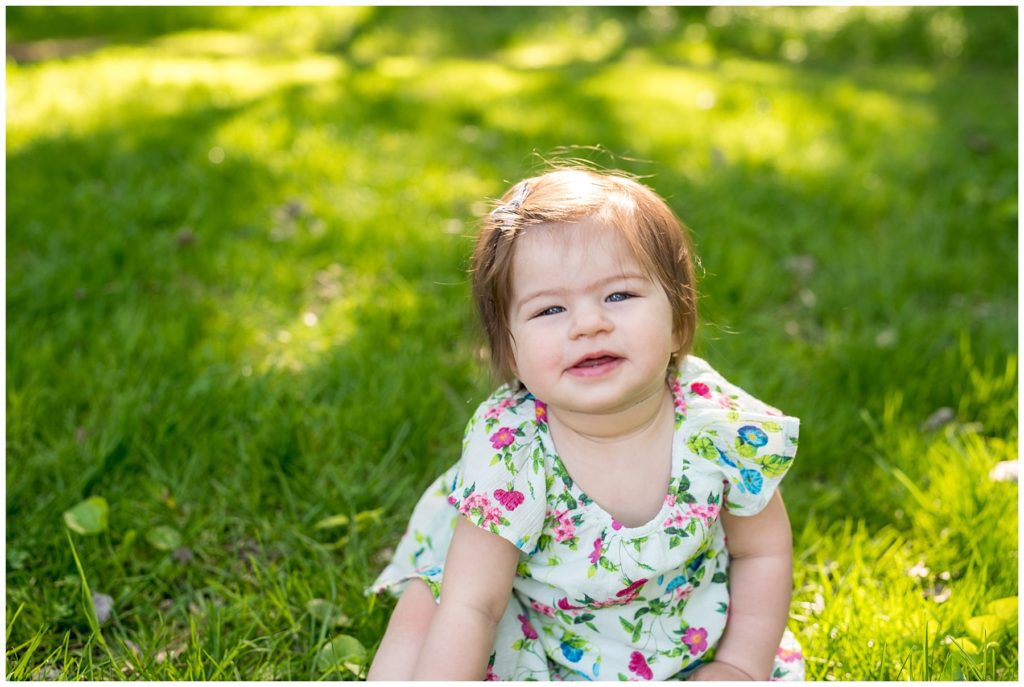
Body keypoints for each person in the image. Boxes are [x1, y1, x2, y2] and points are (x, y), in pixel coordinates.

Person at [366, 167, 805, 681]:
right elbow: (475, 603)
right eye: (550, 308)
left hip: (684, 639)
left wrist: (738, 665)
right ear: (510, 350)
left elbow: (762, 552)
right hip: (537, 631)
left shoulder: (717, 426)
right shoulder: (514, 450)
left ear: (678, 320)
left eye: (618, 296)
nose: (588, 323)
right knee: (429, 606)